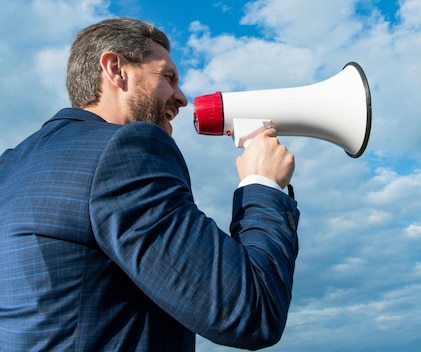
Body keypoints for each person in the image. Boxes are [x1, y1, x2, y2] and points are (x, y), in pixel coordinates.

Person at [0, 17, 299, 351]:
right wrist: (264, 184)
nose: (182, 98)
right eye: (167, 77)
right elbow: (252, 313)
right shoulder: (127, 149)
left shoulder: (8, 165)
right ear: (115, 69)